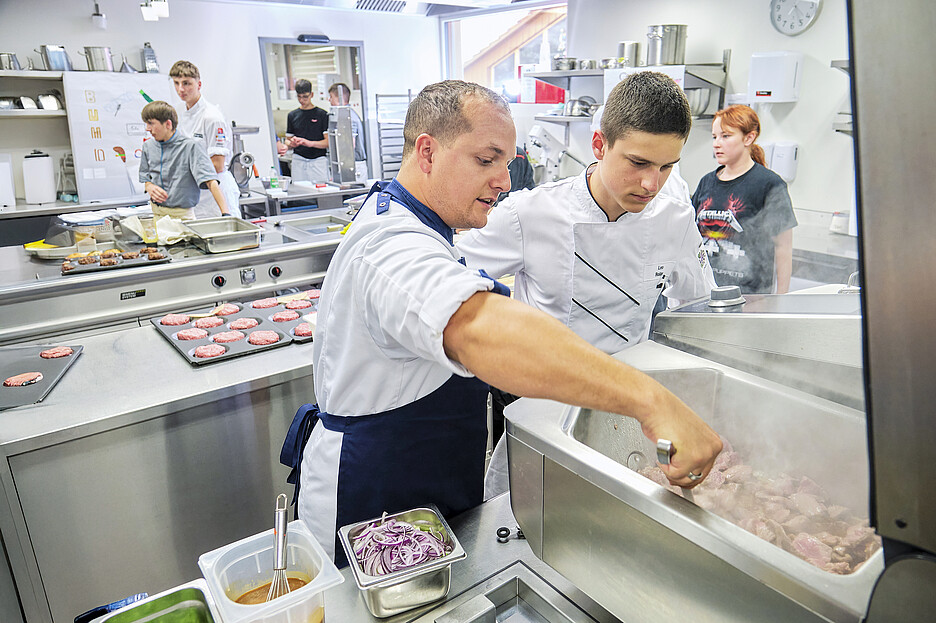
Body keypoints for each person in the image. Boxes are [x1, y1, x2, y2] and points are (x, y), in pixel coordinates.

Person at [282, 80, 722, 565]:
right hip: (371, 495)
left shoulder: (430, 230)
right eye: (485, 160)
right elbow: (476, 326)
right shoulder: (390, 246)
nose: (505, 181)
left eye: (507, 163)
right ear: (427, 153)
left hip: (422, 484)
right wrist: (652, 402)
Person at [457, 72, 717, 497]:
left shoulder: (674, 218)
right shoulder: (531, 213)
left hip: (632, 409)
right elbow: (453, 270)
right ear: (599, 146)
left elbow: (695, 310)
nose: (652, 184)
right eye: (637, 163)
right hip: (544, 410)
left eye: (667, 166)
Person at [693, 104, 797, 294]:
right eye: (714, 137)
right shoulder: (706, 182)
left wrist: (782, 298)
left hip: (749, 297)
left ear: (749, 137)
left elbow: (783, 247)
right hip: (705, 292)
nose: (717, 143)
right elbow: (692, 238)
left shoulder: (769, 185)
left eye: (726, 136)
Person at [168, 60, 239, 218]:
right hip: (193, 193)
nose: (181, 89)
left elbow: (217, 164)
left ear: (199, 84)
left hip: (216, 193)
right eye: (176, 83)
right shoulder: (177, 112)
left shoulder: (212, 117)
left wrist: (181, 175)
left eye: (187, 83)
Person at [139, 101, 226, 221]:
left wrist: (225, 213)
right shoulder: (148, 146)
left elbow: (211, 181)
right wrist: (149, 187)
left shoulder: (190, 147)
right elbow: (145, 177)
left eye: (151, 123)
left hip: (182, 216)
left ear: (168, 124)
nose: (148, 129)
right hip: (157, 214)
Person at [277, 79, 329, 183]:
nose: (302, 100)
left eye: (305, 96)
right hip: (299, 160)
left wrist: (309, 143)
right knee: (299, 191)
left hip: (318, 160)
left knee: (321, 192)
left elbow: (327, 142)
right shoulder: (292, 115)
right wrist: (292, 143)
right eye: (299, 97)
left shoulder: (322, 115)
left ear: (312, 95)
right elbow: (288, 140)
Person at [327, 82, 368, 184]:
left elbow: (350, 145)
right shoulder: (344, 116)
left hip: (354, 166)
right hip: (349, 165)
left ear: (339, 98)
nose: (329, 100)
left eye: (331, 97)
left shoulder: (350, 117)